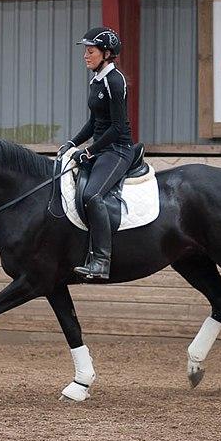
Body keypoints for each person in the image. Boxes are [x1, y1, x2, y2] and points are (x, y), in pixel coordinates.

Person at [58, 26, 133, 280]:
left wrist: (89, 151)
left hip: (118, 150)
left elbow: (118, 127)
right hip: (101, 149)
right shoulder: (96, 80)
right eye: (86, 51)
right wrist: (72, 143)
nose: (85, 56)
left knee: (92, 195)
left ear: (107, 53)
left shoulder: (115, 81)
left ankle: (101, 260)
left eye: (90, 51)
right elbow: (94, 123)